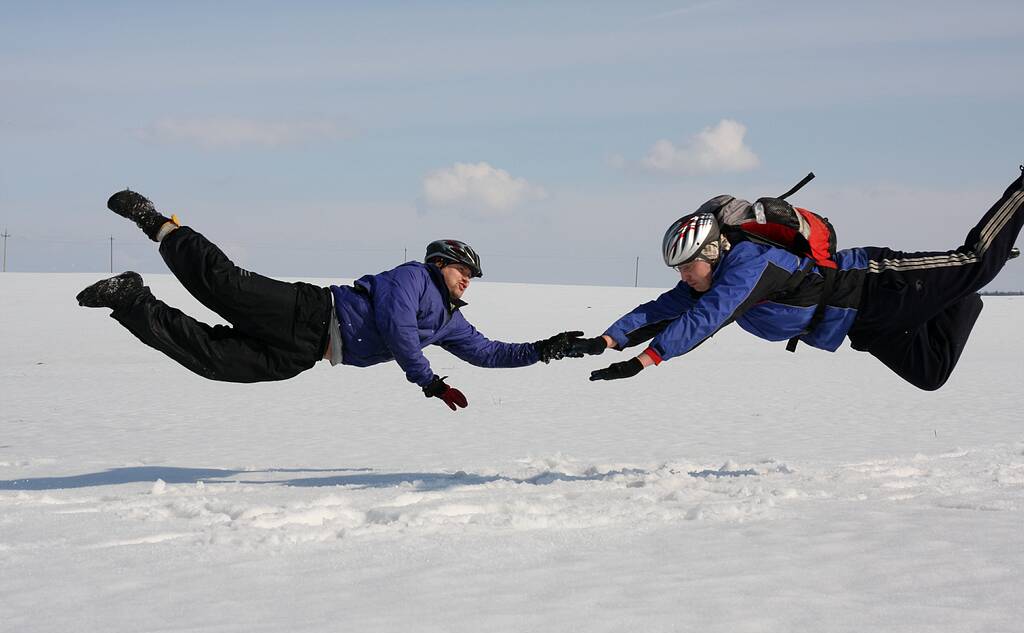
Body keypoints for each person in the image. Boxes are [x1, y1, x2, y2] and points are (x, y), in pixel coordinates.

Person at [77, 190, 585, 410]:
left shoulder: (449, 323)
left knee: (213, 361)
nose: (468, 280)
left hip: (309, 353)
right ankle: (159, 224)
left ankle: (131, 299)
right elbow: (397, 329)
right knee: (221, 284)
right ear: (438, 263)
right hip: (311, 310)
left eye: (473, 276)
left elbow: (491, 352)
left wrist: (547, 347)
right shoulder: (411, 279)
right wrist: (428, 381)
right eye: (463, 270)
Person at [570, 167, 1024, 391]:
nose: (684, 278)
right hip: (859, 324)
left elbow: (709, 318)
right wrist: (608, 341)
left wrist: (646, 361)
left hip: (877, 284)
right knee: (931, 373)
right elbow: (662, 310)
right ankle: (961, 293)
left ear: (714, 250)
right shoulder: (707, 279)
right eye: (679, 271)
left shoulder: (749, 264)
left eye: (689, 266)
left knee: (976, 259)